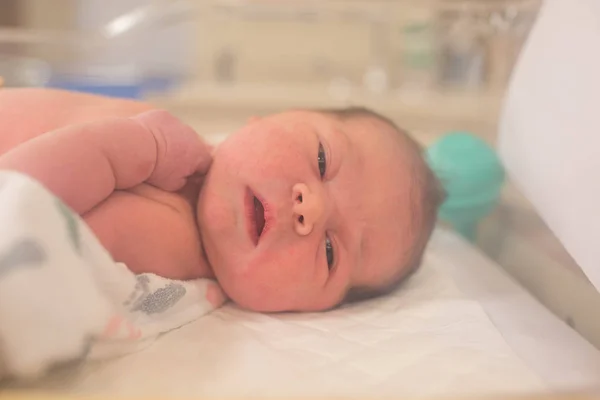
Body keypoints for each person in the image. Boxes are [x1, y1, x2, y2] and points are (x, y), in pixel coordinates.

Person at [0, 88, 444, 312]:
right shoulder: (171, 142)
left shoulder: (172, 247)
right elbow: (14, 197)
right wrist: (139, 145)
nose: (313, 209)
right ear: (269, 117)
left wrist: (127, 149)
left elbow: (17, 224)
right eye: (323, 159)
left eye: (330, 252)